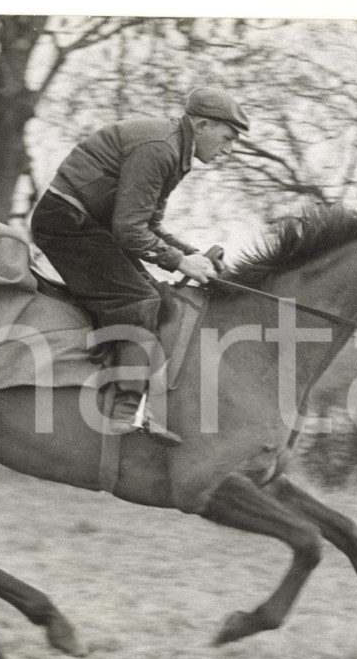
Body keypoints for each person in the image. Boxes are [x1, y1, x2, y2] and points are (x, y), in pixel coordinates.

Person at [31, 87, 249, 446]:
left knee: (158, 299)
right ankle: (123, 408)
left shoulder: (176, 151)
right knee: (140, 302)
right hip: (67, 222)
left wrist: (193, 255)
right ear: (202, 124)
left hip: (93, 224)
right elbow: (129, 230)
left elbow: (147, 226)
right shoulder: (160, 149)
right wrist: (181, 261)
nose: (229, 149)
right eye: (227, 138)